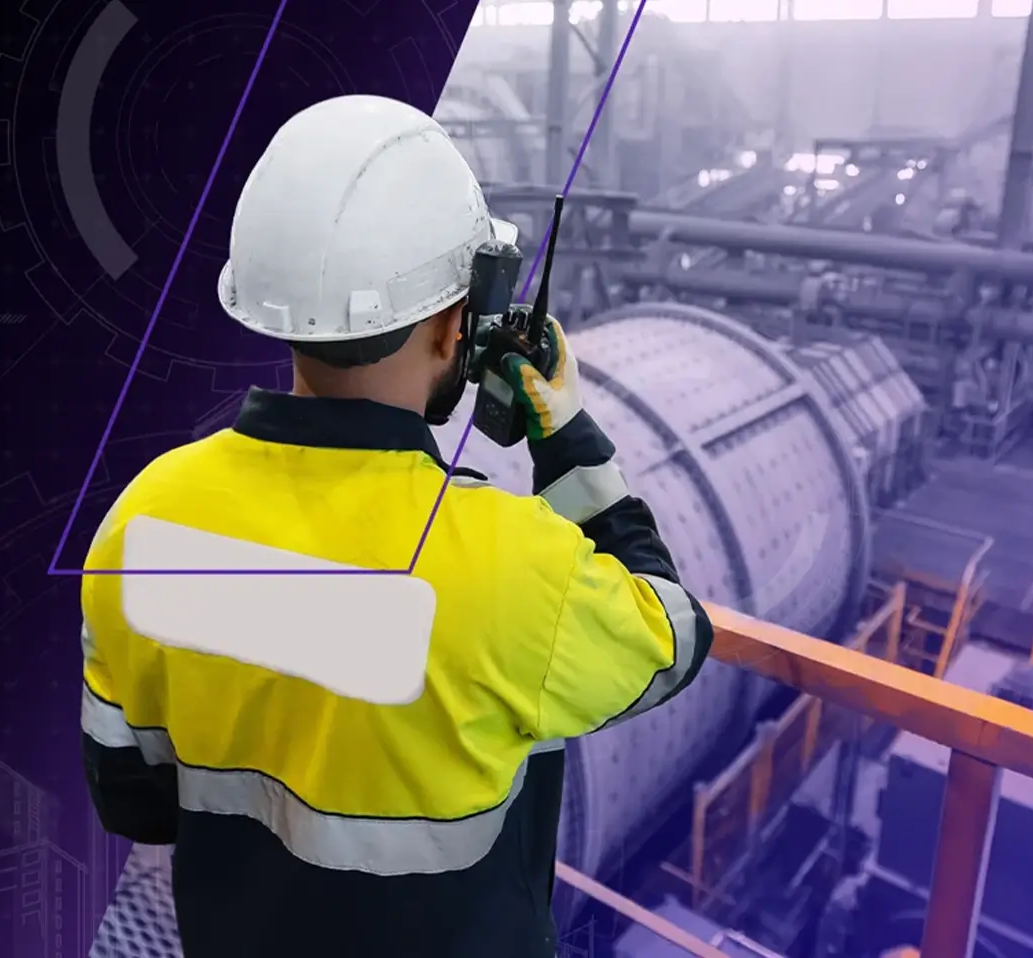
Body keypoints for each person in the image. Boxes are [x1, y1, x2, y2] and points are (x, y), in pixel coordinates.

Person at [78, 94, 714, 958]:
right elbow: (675, 635)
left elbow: (133, 802)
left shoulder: (142, 519)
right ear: (461, 321)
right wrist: (566, 438)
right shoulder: (509, 563)